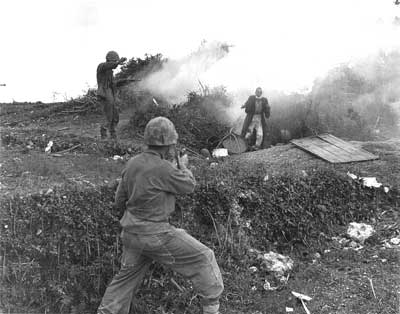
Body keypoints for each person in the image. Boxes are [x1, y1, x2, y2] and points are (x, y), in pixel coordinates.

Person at [97, 117, 224, 314]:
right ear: (170, 144)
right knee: (204, 258)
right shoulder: (165, 168)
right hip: (155, 234)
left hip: (131, 234)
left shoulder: (132, 163)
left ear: (147, 140)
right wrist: (182, 166)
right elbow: (188, 186)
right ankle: (211, 310)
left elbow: (118, 200)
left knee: (124, 281)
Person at [97, 51, 127, 139]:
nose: (115, 63)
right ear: (109, 60)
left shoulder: (110, 72)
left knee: (115, 116)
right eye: (114, 61)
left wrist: (123, 82)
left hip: (110, 96)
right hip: (104, 95)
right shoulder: (102, 66)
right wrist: (117, 63)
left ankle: (113, 134)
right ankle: (104, 135)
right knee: (108, 116)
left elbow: (112, 84)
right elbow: (108, 65)